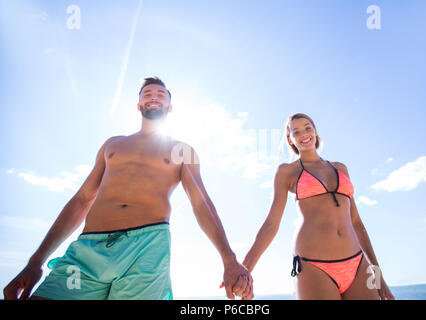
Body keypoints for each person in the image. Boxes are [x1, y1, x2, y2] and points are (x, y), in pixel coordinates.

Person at [3, 76, 252, 300]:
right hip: (89, 250)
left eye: (160, 94)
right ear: (138, 105)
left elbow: (201, 203)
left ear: (170, 107)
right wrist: (35, 262)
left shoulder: (182, 150)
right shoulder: (112, 145)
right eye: (147, 94)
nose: (154, 97)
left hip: (146, 249)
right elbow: (81, 199)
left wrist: (229, 259)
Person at [241, 113, 394, 300]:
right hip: (314, 266)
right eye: (296, 131)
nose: (303, 134)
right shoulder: (286, 171)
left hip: (357, 263)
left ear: (315, 130)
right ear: (290, 139)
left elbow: (357, 223)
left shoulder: (341, 168)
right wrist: (245, 269)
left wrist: (379, 278)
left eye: (307, 127)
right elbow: (272, 224)